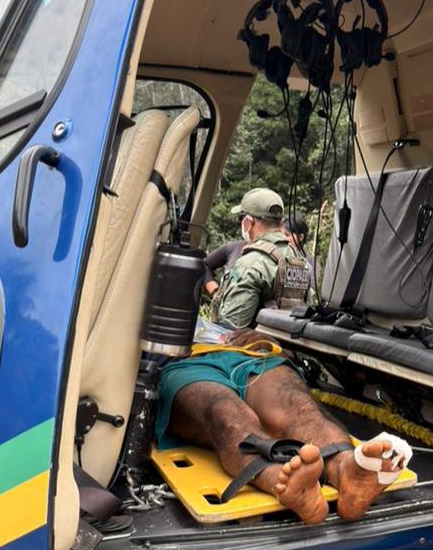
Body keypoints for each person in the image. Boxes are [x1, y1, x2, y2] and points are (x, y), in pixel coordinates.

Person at [158, 186, 412, 524]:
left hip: (247, 350)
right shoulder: (300, 258)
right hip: (189, 356)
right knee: (225, 410)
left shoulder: (250, 259)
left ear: (249, 222)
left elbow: (230, 319)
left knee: (296, 403)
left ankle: (347, 469)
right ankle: (280, 478)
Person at [210, 188, 311, 327]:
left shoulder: (251, 263)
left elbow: (230, 327)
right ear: (281, 224)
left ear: (248, 222)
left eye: (241, 219)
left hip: (251, 347)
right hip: (286, 346)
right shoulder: (301, 262)